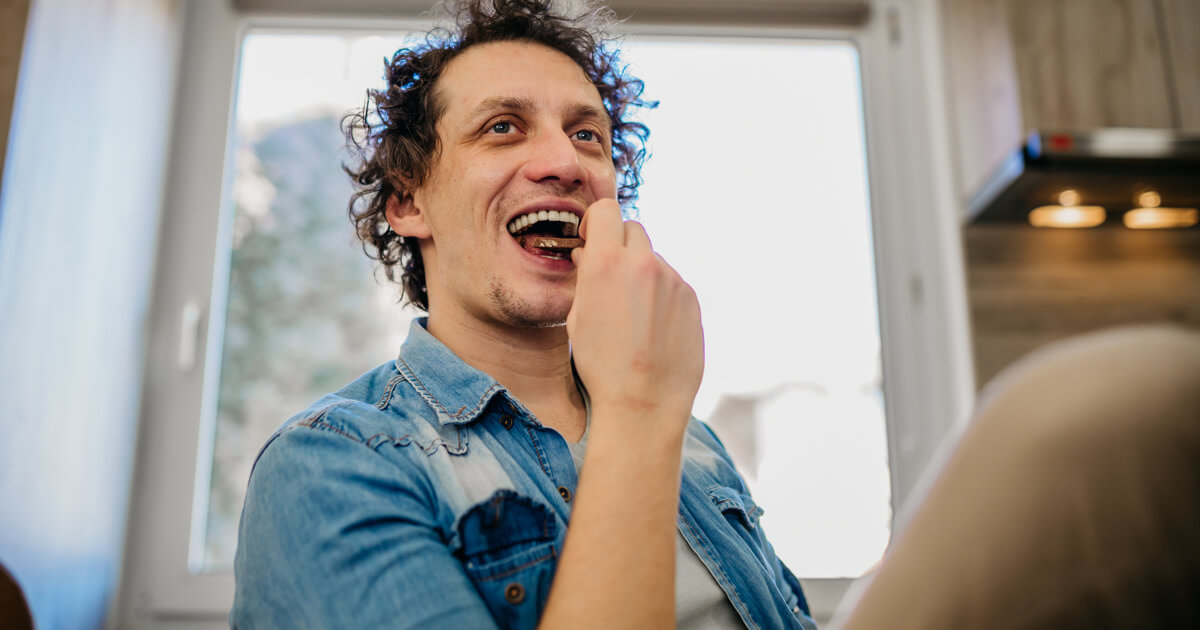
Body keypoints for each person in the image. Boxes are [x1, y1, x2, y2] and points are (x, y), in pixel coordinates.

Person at [231, 1, 817, 628]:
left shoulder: (696, 445)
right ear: (407, 202)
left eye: (587, 135)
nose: (566, 163)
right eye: (503, 127)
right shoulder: (332, 464)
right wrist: (640, 410)